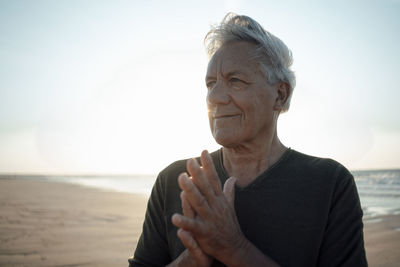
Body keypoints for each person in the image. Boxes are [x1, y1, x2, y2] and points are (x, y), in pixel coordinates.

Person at [129, 13, 367, 267]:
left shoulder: (330, 183)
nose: (215, 97)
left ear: (280, 94)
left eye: (236, 81)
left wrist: (233, 248)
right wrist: (190, 260)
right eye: (211, 84)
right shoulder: (176, 180)